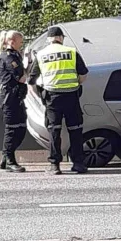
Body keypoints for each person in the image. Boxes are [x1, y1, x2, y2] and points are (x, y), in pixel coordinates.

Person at [28, 26, 89, 175]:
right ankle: (78, 164)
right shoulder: (72, 52)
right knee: (75, 130)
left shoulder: (41, 54)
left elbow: (31, 79)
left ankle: (55, 165)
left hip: (52, 98)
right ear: (61, 38)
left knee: (54, 131)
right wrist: (74, 83)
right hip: (71, 96)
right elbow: (83, 75)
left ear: (49, 40)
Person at [0, 30, 27, 173]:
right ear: (12, 41)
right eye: (20, 41)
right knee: (12, 129)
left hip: (17, 97)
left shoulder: (15, 55)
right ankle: (10, 160)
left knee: (20, 129)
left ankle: (5, 157)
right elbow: (20, 77)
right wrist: (31, 68)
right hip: (10, 98)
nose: (21, 44)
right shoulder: (8, 57)